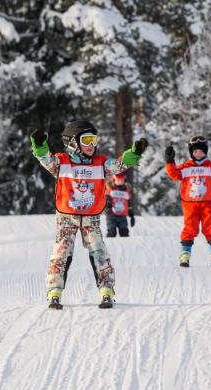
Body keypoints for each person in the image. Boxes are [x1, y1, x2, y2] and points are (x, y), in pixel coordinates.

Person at [31, 119, 148, 309]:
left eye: (94, 140)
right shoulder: (61, 162)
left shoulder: (100, 164)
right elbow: (45, 158)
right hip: (66, 217)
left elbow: (119, 165)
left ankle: (106, 291)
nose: (91, 145)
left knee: (99, 251)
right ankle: (54, 291)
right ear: (73, 143)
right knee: (61, 252)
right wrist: (39, 145)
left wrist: (134, 153)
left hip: (91, 217)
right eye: (86, 140)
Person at [164, 136, 211, 267]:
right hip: (190, 205)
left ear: (205, 152)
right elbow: (173, 174)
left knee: (210, 227)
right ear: (191, 153)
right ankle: (185, 254)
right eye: (195, 151)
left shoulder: (210, 167)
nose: (198, 153)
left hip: (208, 204)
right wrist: (169, 161)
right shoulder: (185, 167)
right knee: (190, 228)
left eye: (201, 151)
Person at [104, 173, 136, 237]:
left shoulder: (126, 192)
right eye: (118, 180)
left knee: (124, 233)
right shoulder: (109, 190)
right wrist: (108, 206)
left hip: (122, 215)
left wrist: (131, 215)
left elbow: (129, 203)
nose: (120, 182)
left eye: (122, 180)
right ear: (114, 181)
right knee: (112, 233)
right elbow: (106, 200)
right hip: (111, 215)